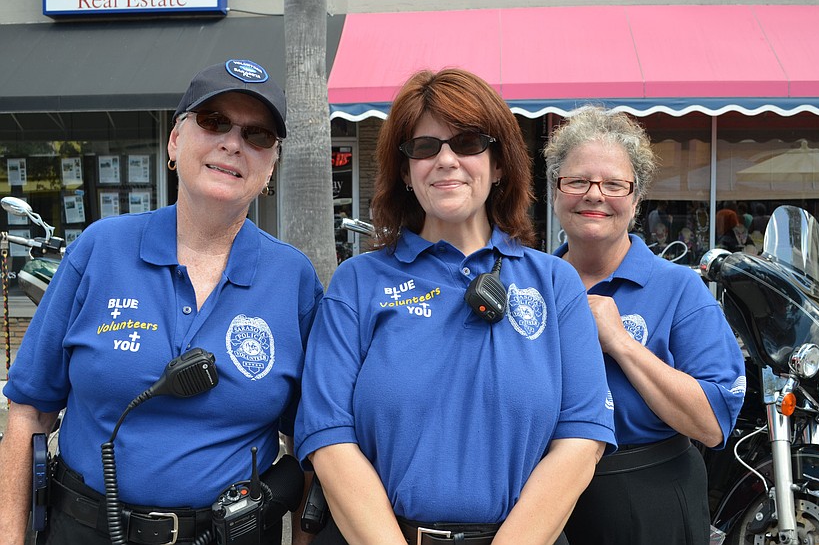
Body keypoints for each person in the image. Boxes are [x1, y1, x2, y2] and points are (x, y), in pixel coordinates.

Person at [0, 59, 323, 545]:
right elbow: (29, 411)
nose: (233, 143)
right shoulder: (100, 249)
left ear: (270, 165)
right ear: (175, 141)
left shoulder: (292, 278)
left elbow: (314, 443)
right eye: (214, 122)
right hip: (84, 528)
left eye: (257, 136)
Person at [295, 68, 616, 545]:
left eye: (467, 142)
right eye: (424, 147)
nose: (446, 160)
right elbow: (329, 439)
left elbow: (581, 440)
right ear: (405, 172)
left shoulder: (554, 282)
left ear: (500, 163)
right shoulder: (357, 283)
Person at [544, 106, 745, 545]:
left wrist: (621, 343)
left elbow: (712, 424)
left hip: (649, 499)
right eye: (578, 181)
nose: (594, 195)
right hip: (539, 498)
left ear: (636, 200)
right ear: (556, 192)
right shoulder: (530, 285)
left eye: (614, 184)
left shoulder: (679, 290)